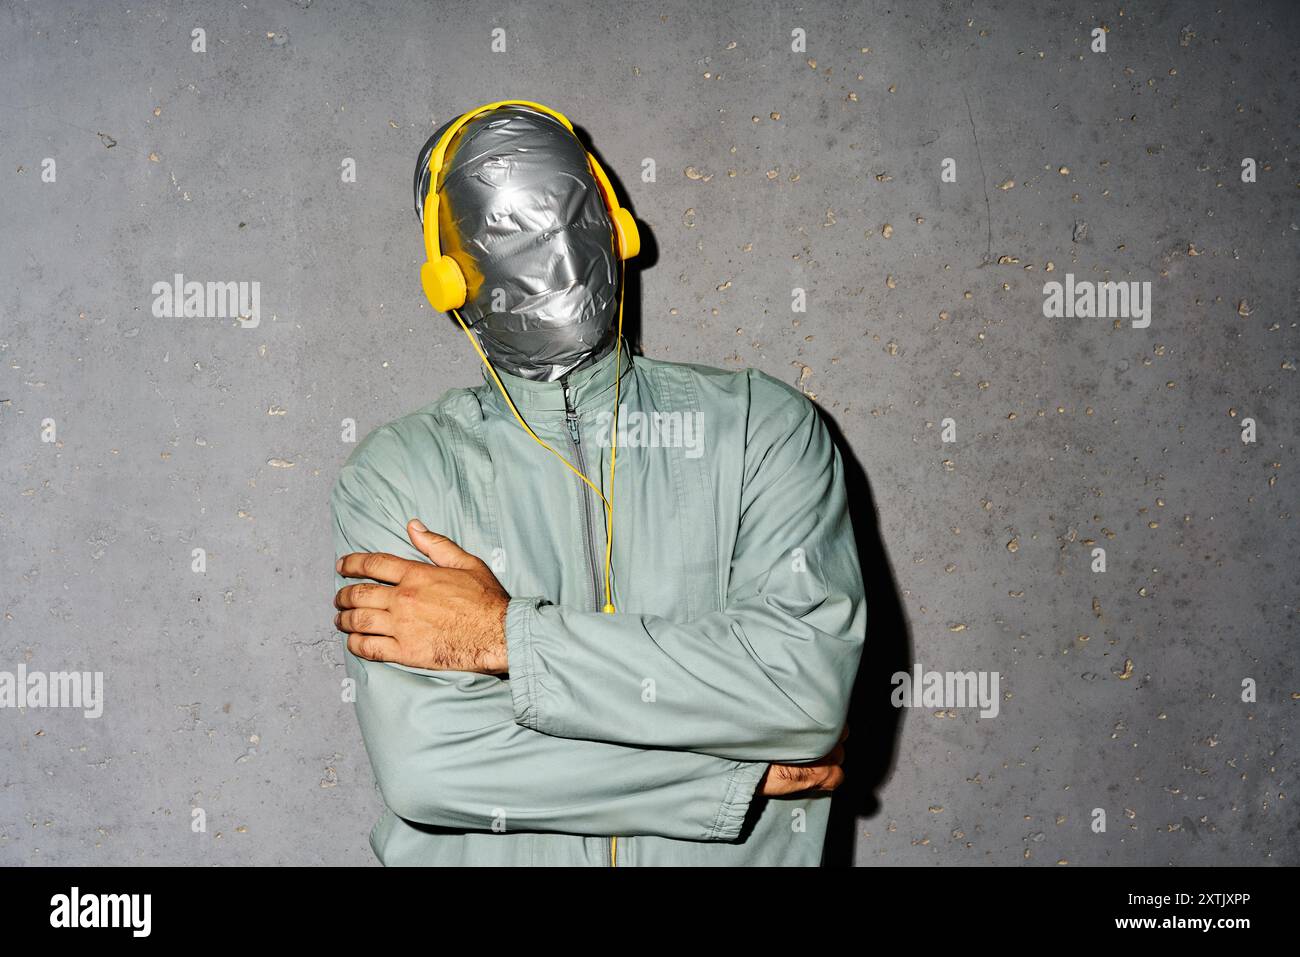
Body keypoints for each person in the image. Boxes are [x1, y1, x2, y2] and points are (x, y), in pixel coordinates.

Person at [330, 100, 867, 866]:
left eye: (568, 218)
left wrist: (503, 637)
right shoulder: (400, 473)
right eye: (508, 232)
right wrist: (735, 774)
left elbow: (804, 692)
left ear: (615, 229)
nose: (553, 257)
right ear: (450, 276)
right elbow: (433, 766)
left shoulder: (761, 428)